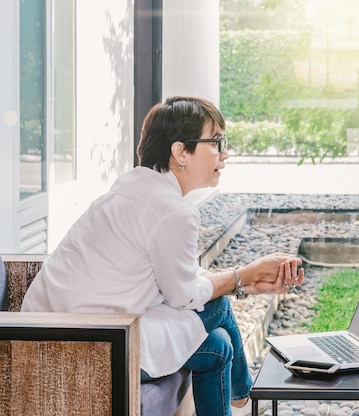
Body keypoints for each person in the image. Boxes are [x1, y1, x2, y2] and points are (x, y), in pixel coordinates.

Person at [21, 96, 305, 416]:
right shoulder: (173, 212)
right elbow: (183, 295)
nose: (224, 154)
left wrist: (243, 282)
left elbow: (177, 277)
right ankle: (245, 394)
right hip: (95, 347)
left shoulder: (133, 185)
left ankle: (243, 394)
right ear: (180, 151)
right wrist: (244, 276)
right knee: (218, 304)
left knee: (219, 346)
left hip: (44, 335)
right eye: (216, 142)